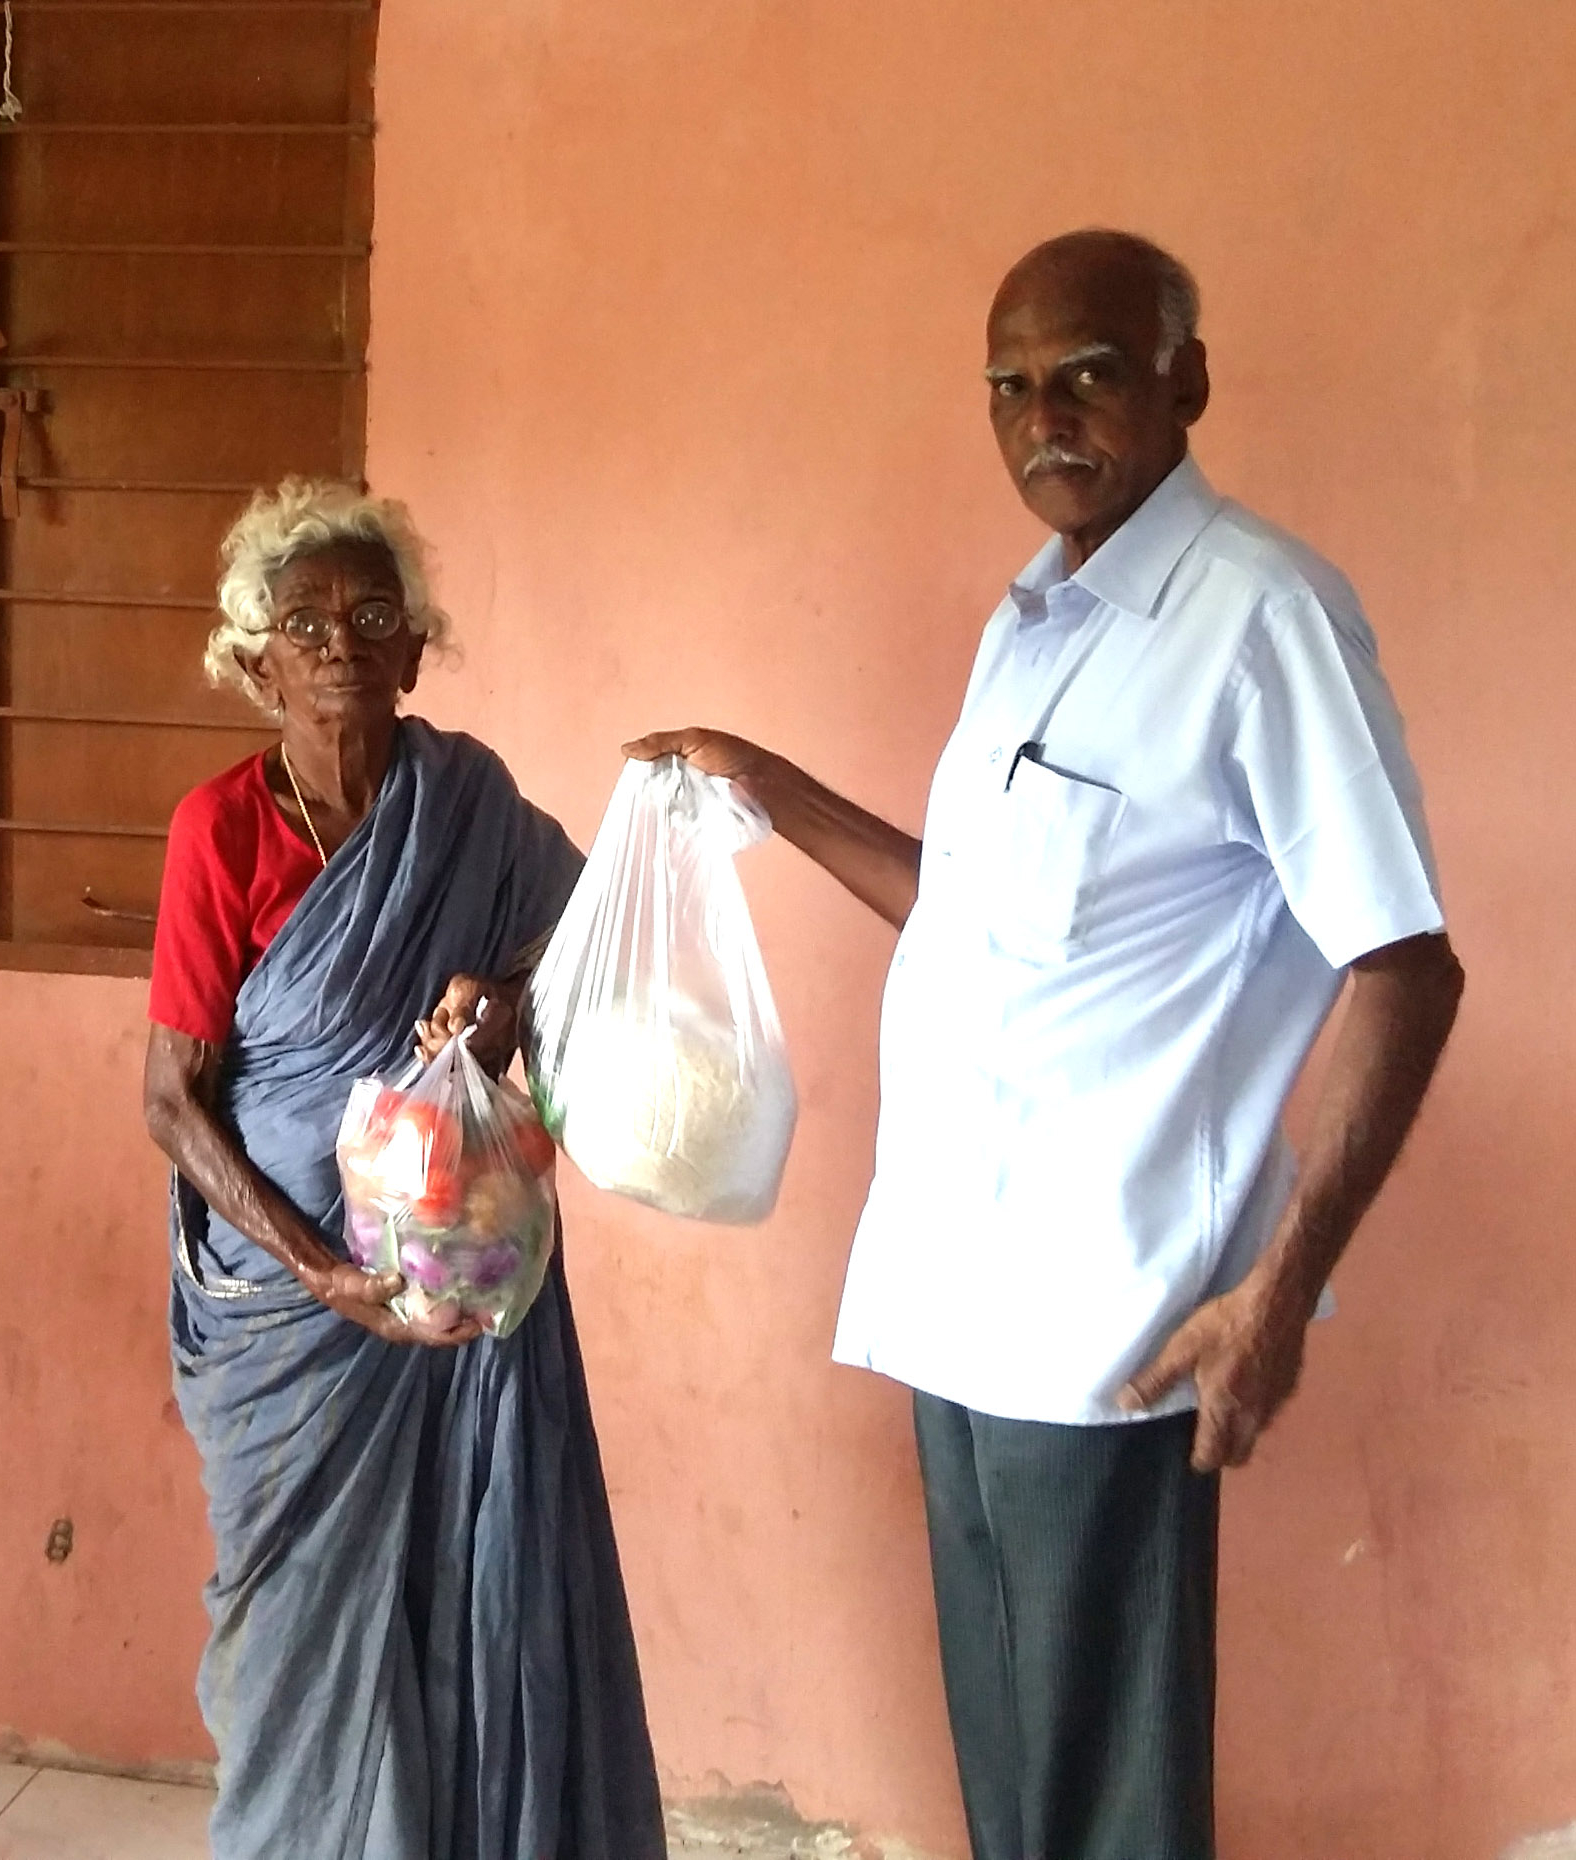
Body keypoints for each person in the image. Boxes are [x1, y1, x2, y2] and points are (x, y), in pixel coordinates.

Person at [627, 229, 1464, 1860]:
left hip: (1109, 1319)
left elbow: (1405, 964)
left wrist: (1276, 1291)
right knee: (1020, 1780)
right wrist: (771, 790)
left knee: (1101, 1801)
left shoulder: (1260, 618)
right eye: (1007, 387)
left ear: (1183, 380)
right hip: (960, 1294)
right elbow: (978, 922)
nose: (1042, 417)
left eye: (1085, 371)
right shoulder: (1034, 623)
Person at [142, 478, 666, 1860]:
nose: (340, 646)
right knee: (298, 1628)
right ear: (256, 662)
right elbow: (173, 1103)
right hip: (289, 1315)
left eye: (373, 617)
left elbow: (580, 952)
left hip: (458, 1273)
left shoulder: (465, 802)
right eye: (304, 622)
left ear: (416, 650)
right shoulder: (221, 831)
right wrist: (325, 1274)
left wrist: (497, 1008)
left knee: (466, 1595)